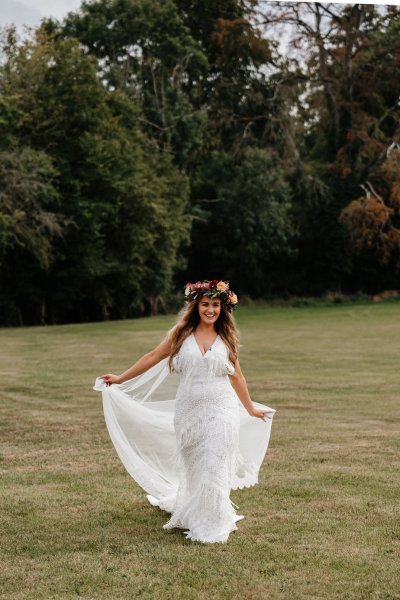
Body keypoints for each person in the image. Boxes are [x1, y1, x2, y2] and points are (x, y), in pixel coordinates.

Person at [94, 279, 275, 544]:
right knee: (196, 468)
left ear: (223, 308)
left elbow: (238, 377)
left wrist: (249, 409)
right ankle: (196, 510)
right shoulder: (181, 335)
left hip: (221, 410)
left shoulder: (227, 338)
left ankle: (212, 523)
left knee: (213, 462)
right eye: (205, 304)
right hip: (189, 411)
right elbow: (153, 356)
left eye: (215, 305)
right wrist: (121, 378)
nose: (210, 310)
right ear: (196, 306)